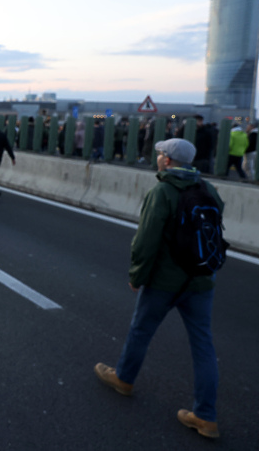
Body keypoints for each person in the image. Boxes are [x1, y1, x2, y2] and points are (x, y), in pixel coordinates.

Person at [94, 138, 224, 439]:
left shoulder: (163, 191)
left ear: (167, 161)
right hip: (202, 281)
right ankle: (206, 417)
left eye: (160, 154)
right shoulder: (209, 190)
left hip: (165, 282)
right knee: (203, 345)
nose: (158, 158)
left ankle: (124, 379)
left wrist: (137, 275)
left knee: (141, 330)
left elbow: (146, 241)